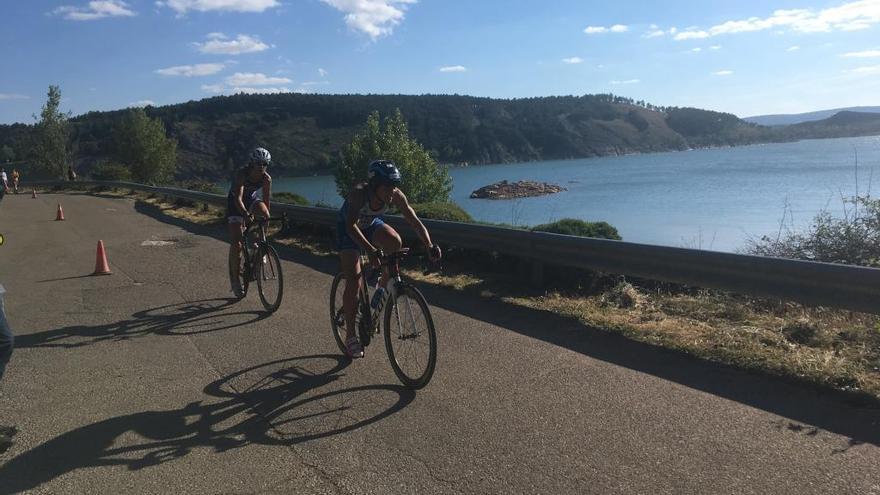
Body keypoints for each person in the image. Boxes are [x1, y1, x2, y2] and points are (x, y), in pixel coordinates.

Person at [336, 159, 442, 358]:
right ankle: (350, 336)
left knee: (395, 242)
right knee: (354, 280)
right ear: (375, 185)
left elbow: (414, 220)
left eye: (394, 186)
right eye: (387, 187)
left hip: (370, 225)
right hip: (348, 230)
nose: (392, 191)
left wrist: (429, 245)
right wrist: (370, 250)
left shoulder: (395, 195)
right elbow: (351, 226)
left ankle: (379, 292)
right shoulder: (359, 194)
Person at [226, 147, 272, 296]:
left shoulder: (266, 179)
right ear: (252, 163)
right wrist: (245, 214)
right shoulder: (241, 174)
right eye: (258, 163)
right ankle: (234, 280)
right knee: (237, 244)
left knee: (265, 214)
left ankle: (259, 248)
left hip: (251, 199)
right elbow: (238, 198)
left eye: (264, 164)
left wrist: (265, 225)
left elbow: (266, 201)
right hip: (236, 203)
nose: (261, 167)